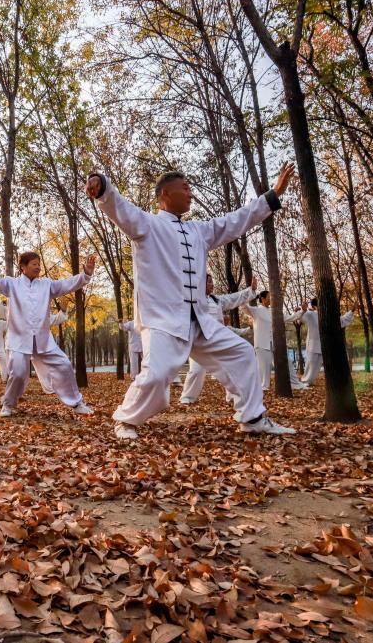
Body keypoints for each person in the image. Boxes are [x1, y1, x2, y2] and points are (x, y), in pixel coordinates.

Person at [87, 164, 298, 439]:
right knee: (157, 374)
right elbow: (119, 207)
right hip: (162, 323)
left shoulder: (199, 231)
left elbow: (236, 221)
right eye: (185, 188)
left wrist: (272, 196)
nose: (190, 193)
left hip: (200, 323)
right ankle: (126, 420)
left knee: (242, 353)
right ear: (165, 193)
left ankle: (253, 418)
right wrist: (101, 185)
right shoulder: (147, 224)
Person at [0, 252, 95, 417]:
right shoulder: (12, 284)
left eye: (39, 264)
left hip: (43, 340)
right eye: (34, 264)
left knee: (64, 365)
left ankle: (76, 403)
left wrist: (85, 275)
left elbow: (66, 284)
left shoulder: (46, 285)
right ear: (23, 267)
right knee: (18, 372)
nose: (38, 267)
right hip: (19, 340)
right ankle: (8, 404)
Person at [179, 275, 257, 405]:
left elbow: (233, 298)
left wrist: (250, 290)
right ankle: (187, 397)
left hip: (217, 340)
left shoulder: (217, 300)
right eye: (209, 282)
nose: (212, 284)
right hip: (199, 341)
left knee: (229, 368)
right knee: (197, 371)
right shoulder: (193, 300)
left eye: (212, 282)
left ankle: (232, 396)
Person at [241, 290, 306, 391]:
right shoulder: (256, 310)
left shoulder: (274, 311)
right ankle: (263, 387)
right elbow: (244, 307)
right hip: (262, 344)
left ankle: (295, 383)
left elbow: (290, 317)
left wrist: (302, 311)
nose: (271, 299)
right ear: (263, 299)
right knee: (264, 369)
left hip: (275, 343)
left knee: (287, 363)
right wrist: (249, 292)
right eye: (268, 297)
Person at [298, 298, 355, 385]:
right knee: (311, 364)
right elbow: (300, 318)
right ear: (314, 306)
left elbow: (341, 320)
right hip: (313, 345)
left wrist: (352, 311)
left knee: (323, 366)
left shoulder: (329, 316)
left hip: (326, 345)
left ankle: (312, 381)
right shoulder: (311, 314)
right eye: (318, 305)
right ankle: (306, 381)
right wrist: (302, 310)